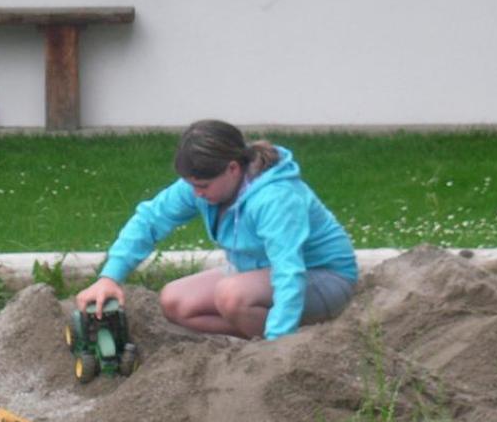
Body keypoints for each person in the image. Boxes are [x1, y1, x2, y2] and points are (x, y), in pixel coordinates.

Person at [74, 120, 358, 340]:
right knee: (174, 302)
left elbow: (289, 271)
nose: (196, 194)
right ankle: (257, 338)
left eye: (203, 186)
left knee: (231, 296)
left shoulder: (275, 198)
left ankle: (283, 347)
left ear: (233, 168)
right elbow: (151, 218)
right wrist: (110, 277)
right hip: (257, 274)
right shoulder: (204, 185)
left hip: (323, 277)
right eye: (192, 185)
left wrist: (277, 342)